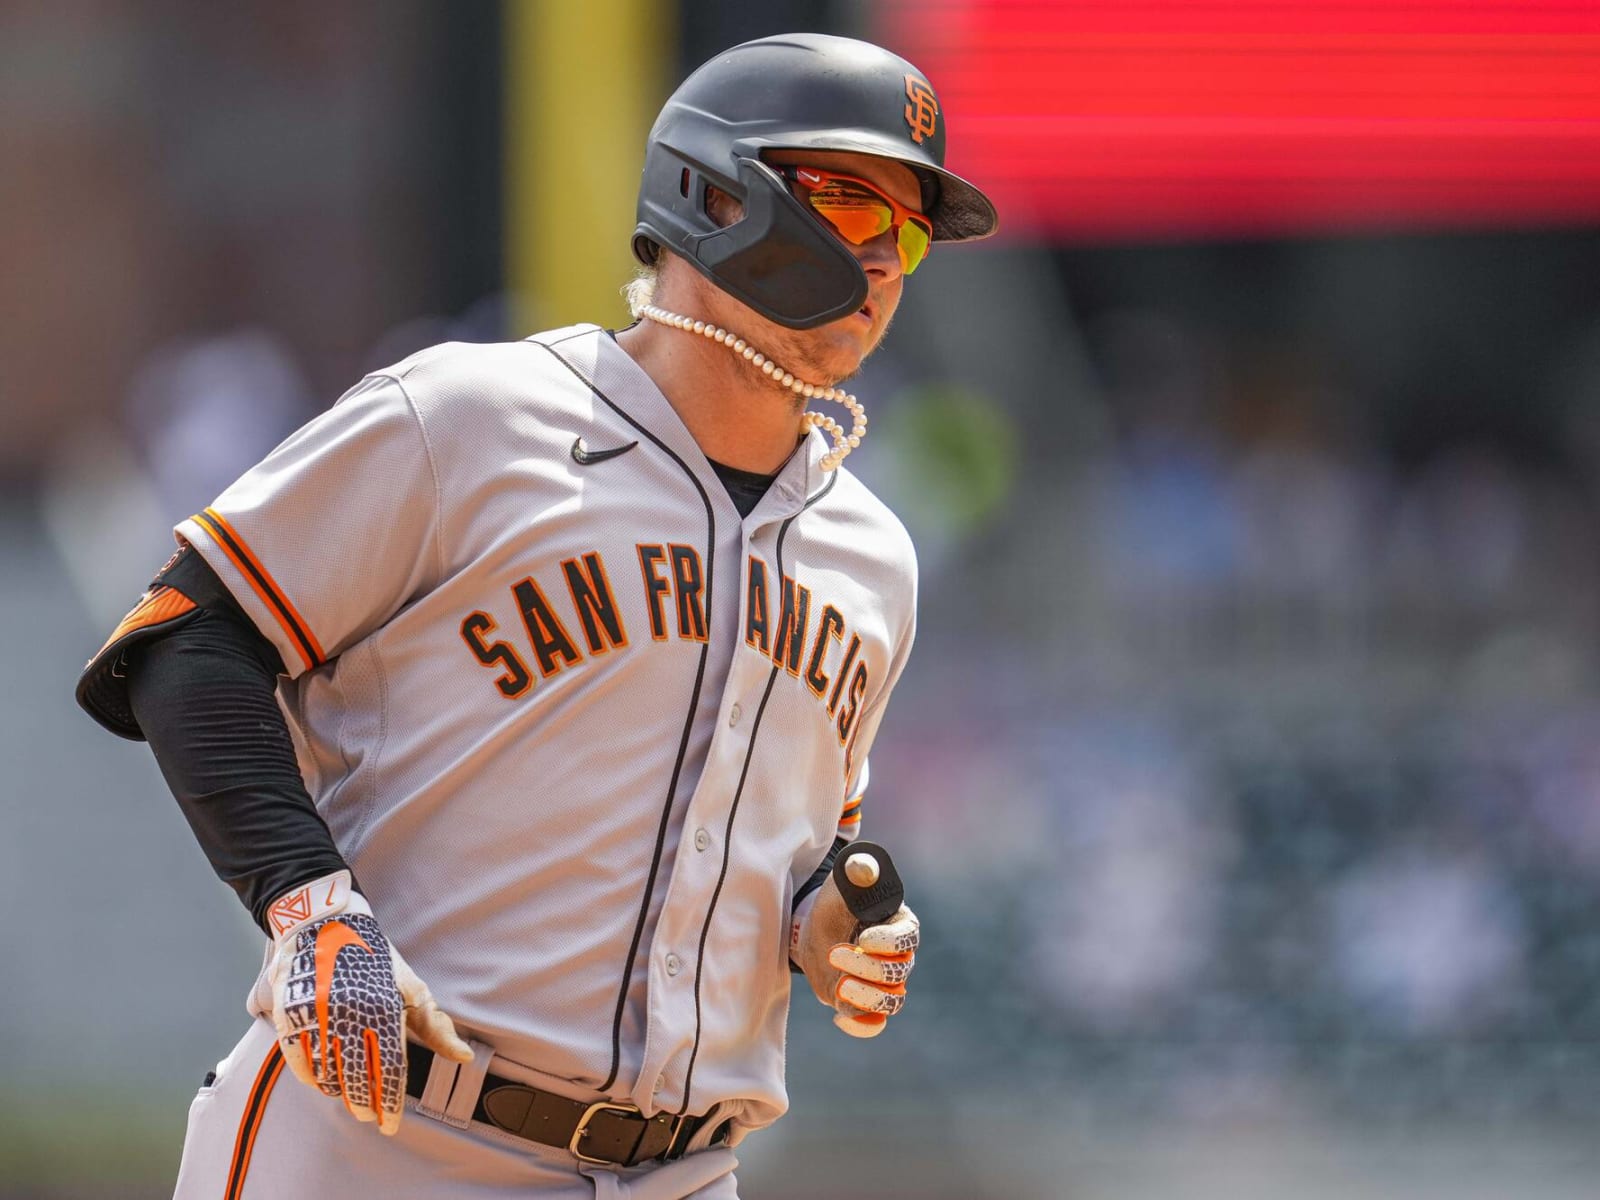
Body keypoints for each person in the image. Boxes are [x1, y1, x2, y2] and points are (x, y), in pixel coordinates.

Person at [76, 31, 997, 1199]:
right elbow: (187, 638)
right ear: (719, 196)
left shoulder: (873, 555)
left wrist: (825, 923)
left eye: (908, 232)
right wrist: (309, 909)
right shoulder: (467, 417)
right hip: (385, 1139)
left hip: (681, 1170)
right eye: (851, 207)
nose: (884, 263)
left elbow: (798, 842)